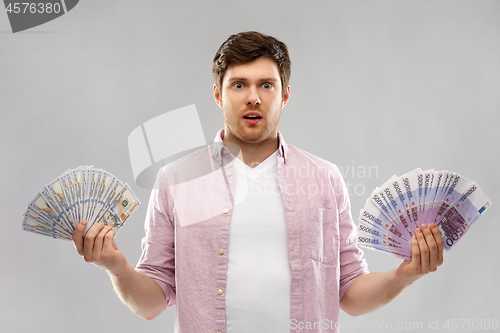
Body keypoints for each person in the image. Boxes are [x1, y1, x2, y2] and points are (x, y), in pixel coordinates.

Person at [73, 31, 444, 332]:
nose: (253, 97)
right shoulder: (177, 180)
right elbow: (151, 303)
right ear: (218, 94)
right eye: (239, 85)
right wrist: (116, 267)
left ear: (284, 95)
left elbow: (349, 293)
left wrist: (405, 274)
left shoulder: (324, 178)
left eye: (266, 85)